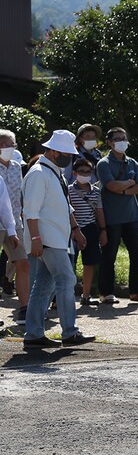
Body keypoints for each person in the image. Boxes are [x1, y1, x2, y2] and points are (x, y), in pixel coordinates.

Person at [21, 130, 95, 348]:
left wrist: (75, 228)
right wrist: (35, 237)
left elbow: (64, 205)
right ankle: (69, 332)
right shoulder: (38, 173)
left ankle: (34, 334)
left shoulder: (54, 172)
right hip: (46, 238)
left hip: (54, 238)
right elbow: (30, 211)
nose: (69, 158)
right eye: (65, 153)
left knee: (44, 285)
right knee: (66, 279)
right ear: (53, 151)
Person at [96, 126, 138, 303]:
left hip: (132, 216)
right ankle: (106, 293)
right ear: (110, 143)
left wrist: (124, 190)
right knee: (109, 255)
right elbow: (110, 185)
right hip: (111, 218)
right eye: (118, 139)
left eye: (124, 138)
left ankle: (137, 292)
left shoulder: (132, 162)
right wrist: (128, 183)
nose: (122, 142)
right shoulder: (104, 163)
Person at [67, 156, 107, 305]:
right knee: (70, 264)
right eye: (81, 171)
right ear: (75, 173)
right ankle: (63, 298)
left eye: (88, 171)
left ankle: (86, 295)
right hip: (72, 230)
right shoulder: (69, 190)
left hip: (90, 229)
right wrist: (73, 229)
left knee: (89, 263)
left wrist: (103, 230)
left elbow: (99, 211)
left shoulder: (96, 192)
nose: (85, 174)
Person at [0, 129, 30, 319]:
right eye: (3, 144)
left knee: (23, 263)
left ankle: (25, 309)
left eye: (11, 145)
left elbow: (18, 195)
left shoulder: (16, 166)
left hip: (13, 222)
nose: (7, 148)